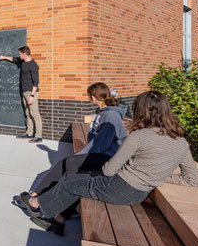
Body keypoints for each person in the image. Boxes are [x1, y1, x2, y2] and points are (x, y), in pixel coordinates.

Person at [20, 91, 198, 236]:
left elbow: (108, 170)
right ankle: (58, 221)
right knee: (81, 180)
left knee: (72, 181)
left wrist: (138, 172)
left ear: (142, 112)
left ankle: (37, 204)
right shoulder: (181, 141)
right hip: (140, 194)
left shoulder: (140, 136)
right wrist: (160, 176)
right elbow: (192, 179)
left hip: (119, 187)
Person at [15, 82, 127, 218]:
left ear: (92, 97)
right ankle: (36, 194)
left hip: (109, 157)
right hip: (101, 153)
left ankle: (60, 207)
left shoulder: (110, 115)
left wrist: (81, 154)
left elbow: (100, 144)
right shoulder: (103, 112)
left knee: (72, 163)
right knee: (65, 162)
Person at [0, 46, 42, 143]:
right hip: (25, 92)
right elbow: (13, 59)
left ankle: (39, 136)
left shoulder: (33, 65)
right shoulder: (23, 62)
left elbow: (36, 82)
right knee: (28, 113)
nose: (19, 55)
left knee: (35, 114)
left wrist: (32, 96)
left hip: (31, 93)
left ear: (24, 54)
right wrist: (4, 57)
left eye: (20, 54)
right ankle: (29, 133)